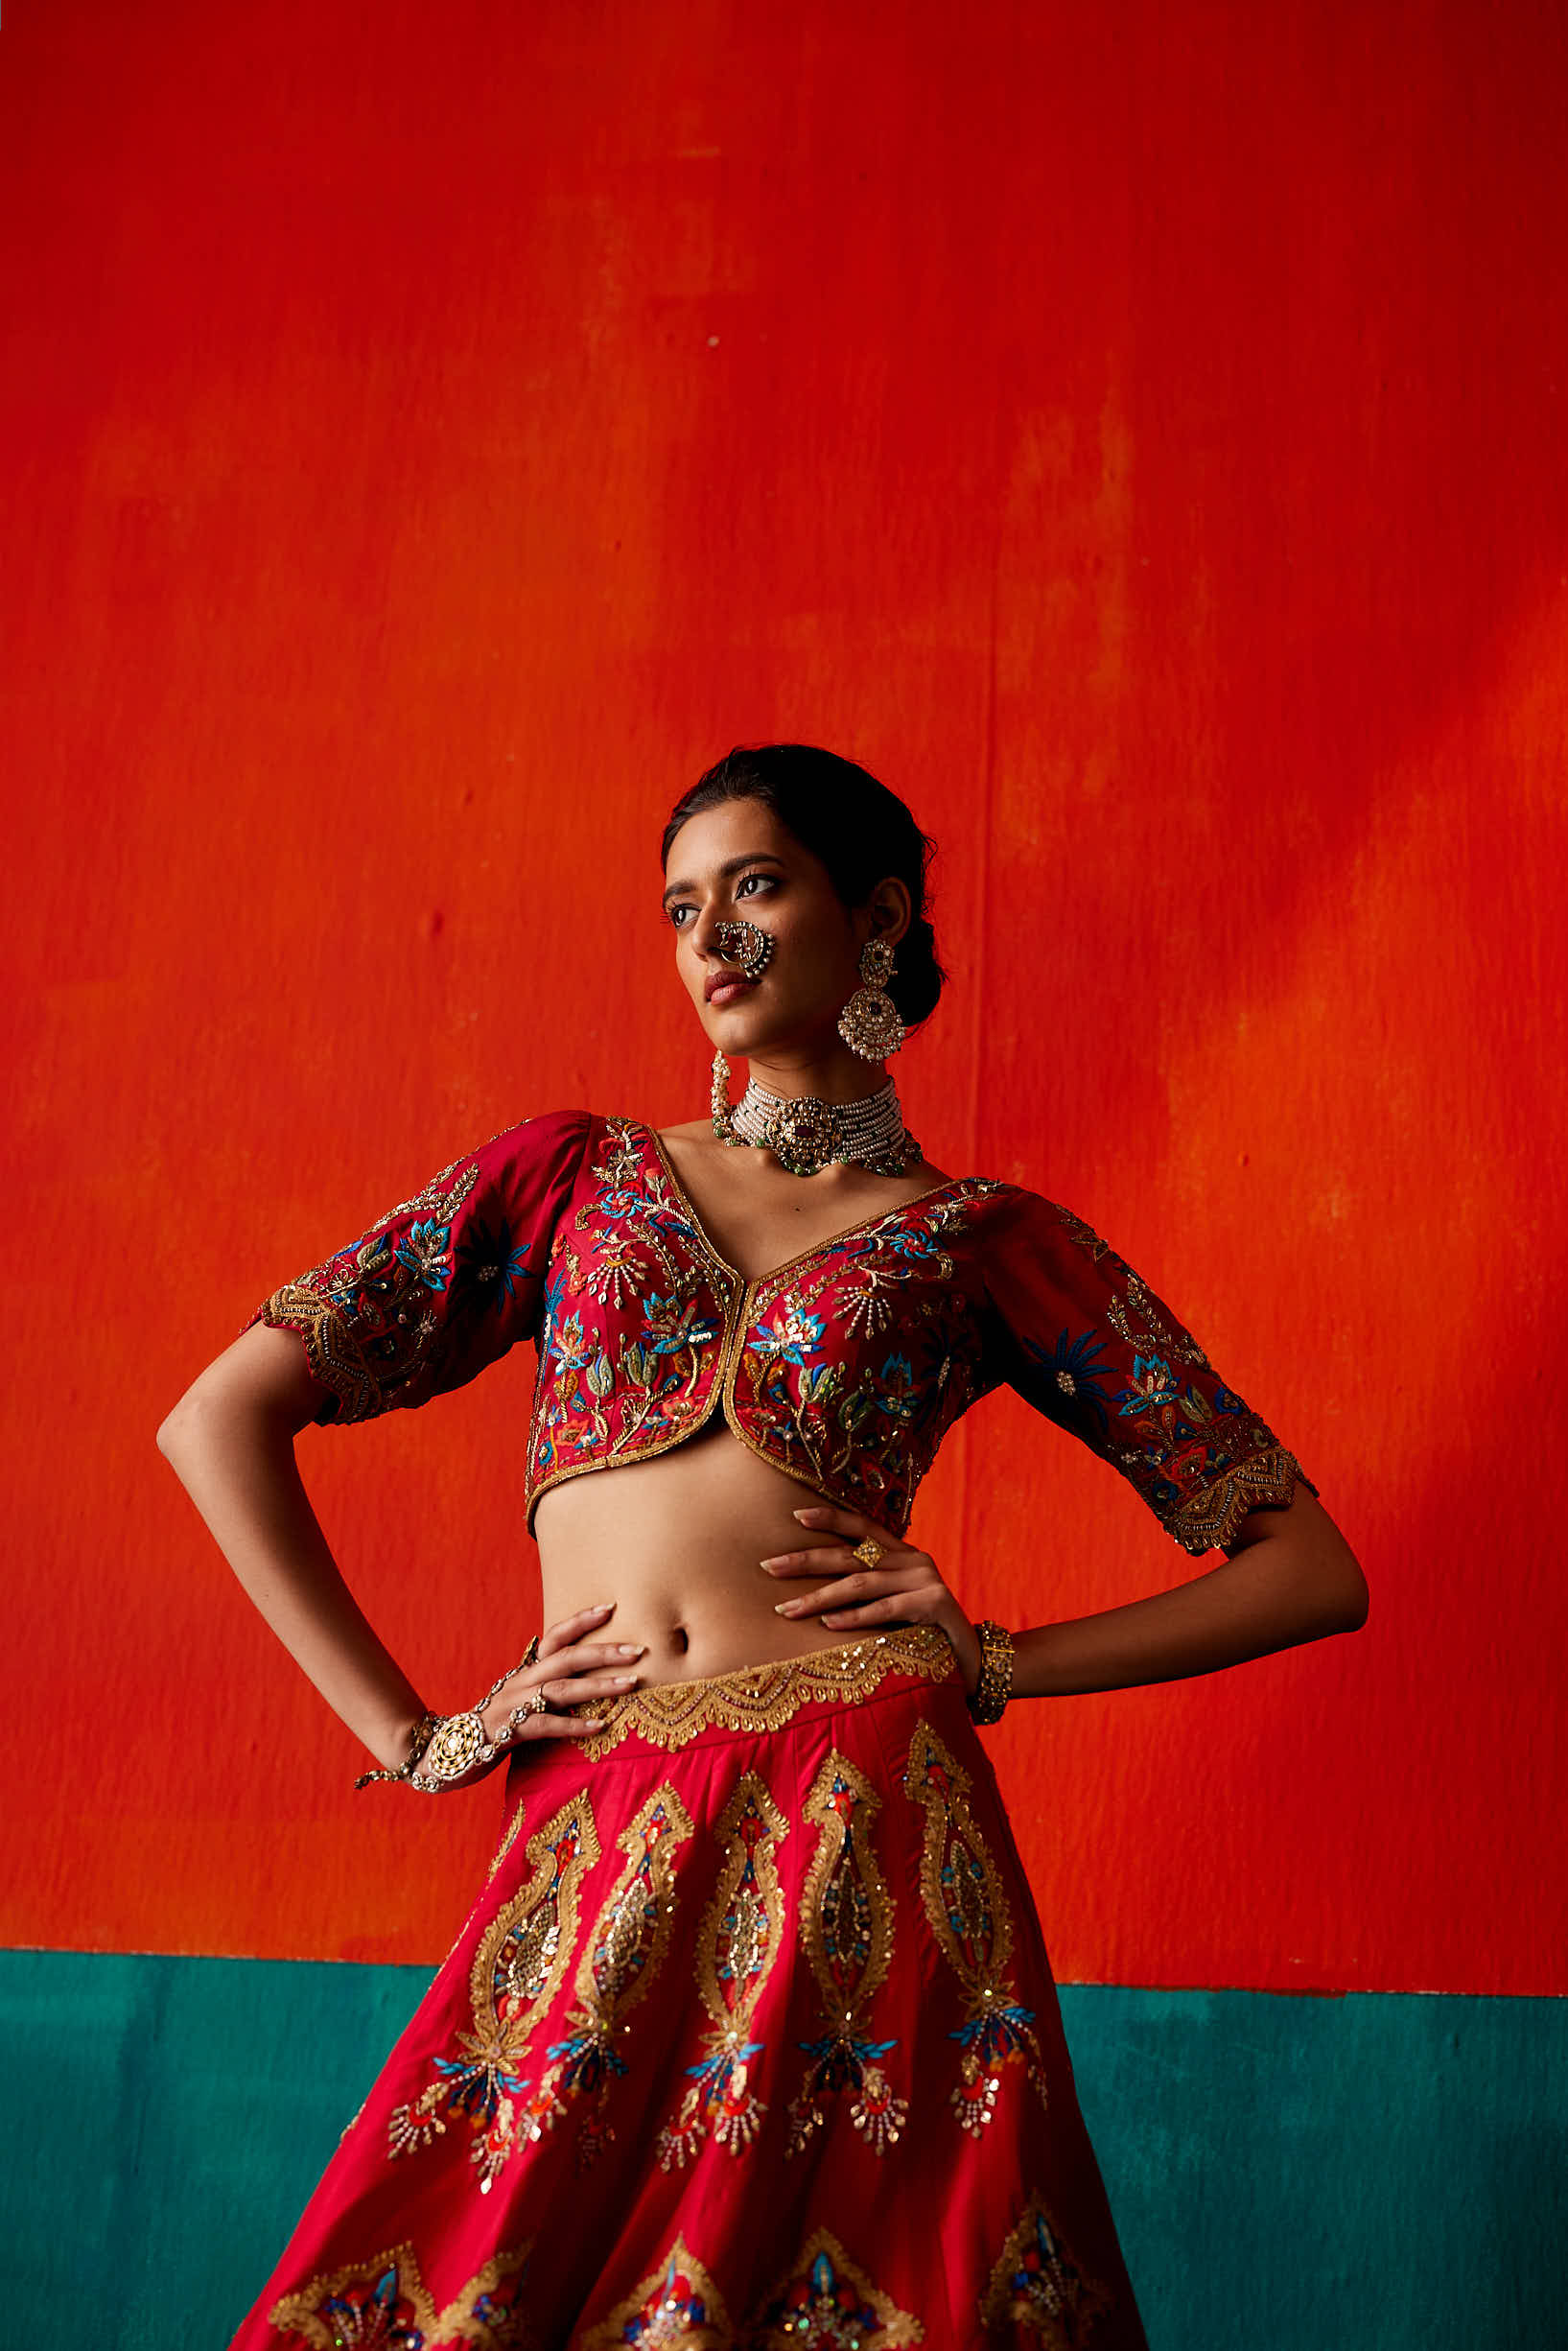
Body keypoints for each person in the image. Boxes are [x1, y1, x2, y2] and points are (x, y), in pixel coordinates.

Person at [158, 742, 1368, 2350]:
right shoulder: (575, 1174)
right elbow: (216, 1422)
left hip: (862, 1802)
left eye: (755, 887)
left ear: (872, 923)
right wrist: (416, 1731)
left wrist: (996, 1657)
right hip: (596, 1811)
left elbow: (1308, 1565)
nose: (711, 938)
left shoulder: (984, 1239)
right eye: (680, 907)